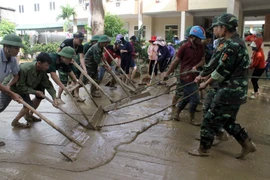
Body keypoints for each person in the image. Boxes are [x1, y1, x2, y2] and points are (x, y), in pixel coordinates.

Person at [188, 13, 256, 159]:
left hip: (230, 89)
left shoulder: (233, 45)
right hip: (233, 90)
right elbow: (215, 63)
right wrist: (203, 75)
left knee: (209, 119)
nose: (214, 30)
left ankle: (203, 149)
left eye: (216, 27)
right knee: (225, 120)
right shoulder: (227, 43)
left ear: (224, 28)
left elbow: (221, 71)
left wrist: (205, 83)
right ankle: (246, 143)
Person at [164, 26, 205, 126]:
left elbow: (203, 60)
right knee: (195, 98)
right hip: (184, 77)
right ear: (193, 38)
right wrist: (167, 74)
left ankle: (176, 114)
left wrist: (196, 66)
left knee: (187, 97)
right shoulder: (184, 47)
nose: (201, 41)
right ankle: (192, 119)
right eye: (199, 39)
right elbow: (176, 61)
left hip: (194, 76)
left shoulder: (201, 47)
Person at [9, 53, 58, 128]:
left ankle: (26, 117)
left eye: (48, 65)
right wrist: (35, 92)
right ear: (39, 63)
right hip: (14, 87)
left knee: (29, 104)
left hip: (25, 87)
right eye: (46, 65)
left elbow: (48, 84)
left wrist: (54, 97)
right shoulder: (25, 69)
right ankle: (16, 121)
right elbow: (20, 86)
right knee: (3, 106)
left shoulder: (42, 71)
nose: (48, 68)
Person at [0, 34, 24, 146]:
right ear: (7, 47)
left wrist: (9, 86)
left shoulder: (13, 60)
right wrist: (11, 93)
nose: (18, 51)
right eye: (16, 48)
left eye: (19, 48)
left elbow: (16, 76)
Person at [57, 31, 85, 102]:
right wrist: (64, 60)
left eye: (82, 39)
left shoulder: (81, 46)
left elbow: (81, 57)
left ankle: (77, 96)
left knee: (76, 79)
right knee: (63, 81)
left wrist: (84, 69)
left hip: (72, 63)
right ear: (75, 38)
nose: (81, 41)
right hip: (62, 63)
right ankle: (58, 98)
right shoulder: (67, 42)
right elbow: (58, 51)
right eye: (80, 39)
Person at [171, 26, 193, 105]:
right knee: (179, 89)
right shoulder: (183, 45)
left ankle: (184, 106)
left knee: (188, 90)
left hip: (190, 71)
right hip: (181, 70)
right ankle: (173, 105)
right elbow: (176, 58)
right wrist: (172, 69)